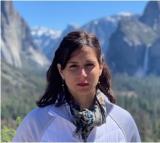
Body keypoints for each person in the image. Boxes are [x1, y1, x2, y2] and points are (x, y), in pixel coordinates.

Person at [13, 31, 141, 142]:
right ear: (61, 71)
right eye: (73, 66)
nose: (82, 74)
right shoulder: (37, 122)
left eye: (89, 65)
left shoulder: (123, 121)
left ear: (101, 67)